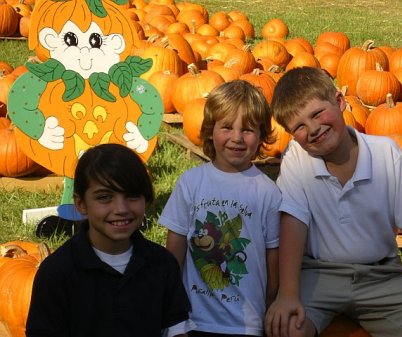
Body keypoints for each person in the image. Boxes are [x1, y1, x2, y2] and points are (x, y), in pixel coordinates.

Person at [264, 67, 402, 337]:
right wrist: (288, 295)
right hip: (318, 276)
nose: (314, 129)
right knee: (287, 328)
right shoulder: (297, 158)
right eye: (300, 127)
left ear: (340, 102)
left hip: (380, 278)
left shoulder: (387, 155)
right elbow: (293, 223)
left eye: (317, 114)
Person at [26, 143, 194, 337]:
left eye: (132, 196)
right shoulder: (57, 273)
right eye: (105, 197)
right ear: (81, 204)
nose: (121, 208)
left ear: (146, 201)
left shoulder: (162, 264)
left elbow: (176, 330)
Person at [159, 80, 282, 336]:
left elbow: (273, 258)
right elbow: (175, 249)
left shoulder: (268, 192)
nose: (236, 138)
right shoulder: (191, 183)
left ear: (261, 135)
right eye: (227, 127)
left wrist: (270, 305)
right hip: (195, 320)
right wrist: (171, 310)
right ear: (210, 130)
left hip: (246, 324)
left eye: (247, 129)